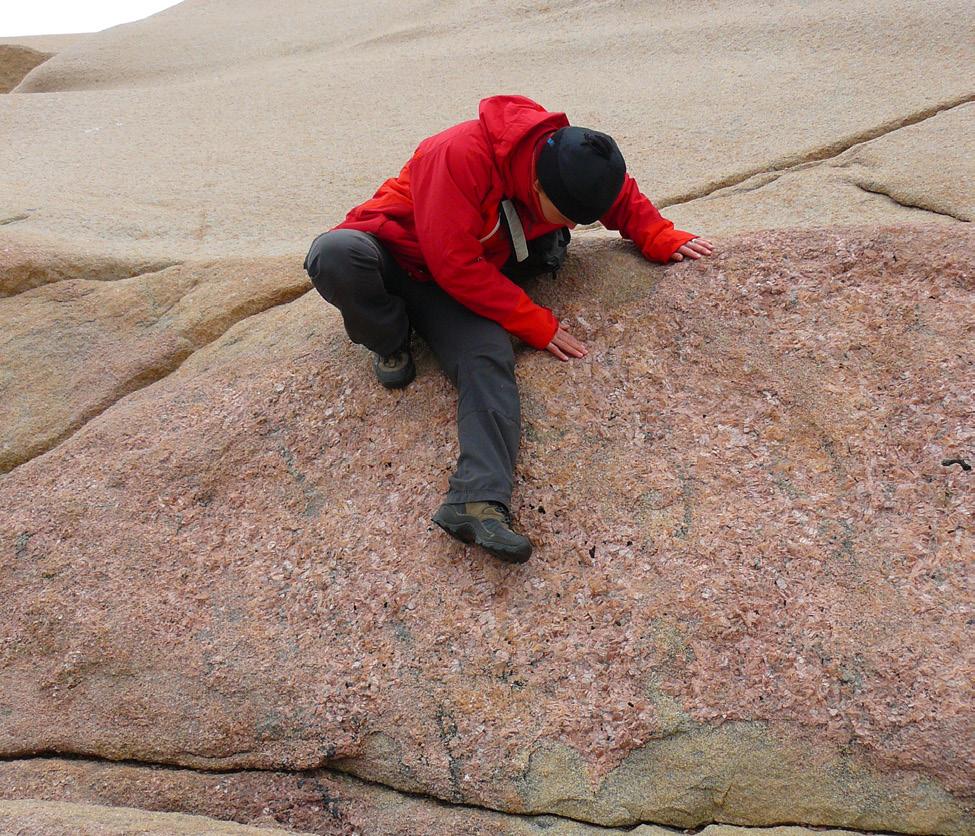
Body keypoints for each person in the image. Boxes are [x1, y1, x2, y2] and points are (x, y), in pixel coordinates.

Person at [303, 95, 713, 564]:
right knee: (335, 254)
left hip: (455, 282)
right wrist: (534, 321)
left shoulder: (567, 158)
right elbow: (453, 263)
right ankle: (390, 340)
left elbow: (615, 193)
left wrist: (658, 235)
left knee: (488, 356)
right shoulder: (458, 155)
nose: (579, 226)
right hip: (394, 256)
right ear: (538, 185)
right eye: (571, 218)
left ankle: (477, 502)